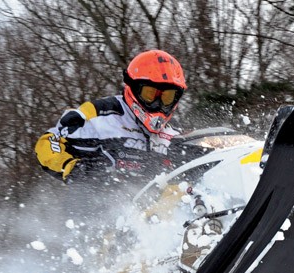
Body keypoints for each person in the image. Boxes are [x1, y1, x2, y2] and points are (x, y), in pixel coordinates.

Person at [36, 50, 186, 182]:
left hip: (156, 207)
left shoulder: (173, 133)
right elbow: (49, 141)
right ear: (133, 87)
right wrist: (73, 167)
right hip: (95, 204)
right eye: (150, 94)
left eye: (167, 97)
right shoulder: (98, 116)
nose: (157, 104)